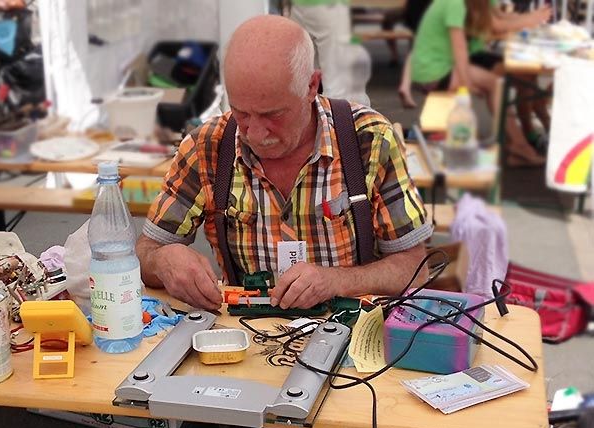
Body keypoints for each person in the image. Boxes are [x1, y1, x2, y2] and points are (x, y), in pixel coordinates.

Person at [137, 15, 431, 313]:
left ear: (311, 86)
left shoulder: (368, 140)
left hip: (349, 334)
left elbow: (414, 268)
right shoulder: (207, 147)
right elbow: (146, 252)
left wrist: (337, 281)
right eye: (241, 113)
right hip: (246, 337)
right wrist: (163, 261)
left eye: (273, 115)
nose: (255, 133)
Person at [410, 0, 547, 166]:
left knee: (516, 74)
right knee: (496, 85)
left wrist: (527, 19)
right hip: (434, 71)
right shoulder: (455, 4)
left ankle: (517, 136)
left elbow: (496, 20)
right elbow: (459, 49)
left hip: (447, 62)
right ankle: (519, 147)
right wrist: (467, 85)